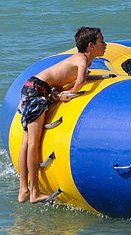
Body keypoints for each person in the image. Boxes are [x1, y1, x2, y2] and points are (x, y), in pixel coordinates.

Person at [17, 26, 106, 203]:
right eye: (102, 41)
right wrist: (71, 92)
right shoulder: (81, 59)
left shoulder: (80, 60)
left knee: (27, 140)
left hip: (34, 87)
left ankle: (23, 190)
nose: (105, 44)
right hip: (37, 90)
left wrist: (60, 93)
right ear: (91, 45)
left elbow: (60, 83)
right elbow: (80, 81)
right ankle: (33, 192)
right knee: (33, 142)